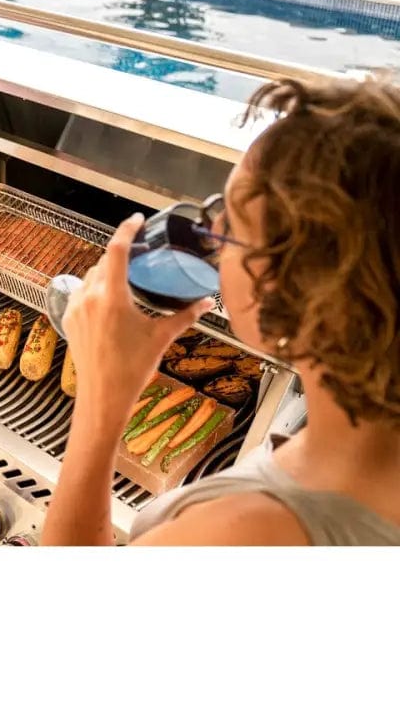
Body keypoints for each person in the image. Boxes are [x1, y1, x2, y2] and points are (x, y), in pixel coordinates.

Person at [41, 75, 400, 546]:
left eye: (227, 223)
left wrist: (101, 402)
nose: (207, 235)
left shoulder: (248, 532)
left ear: (282, 289)